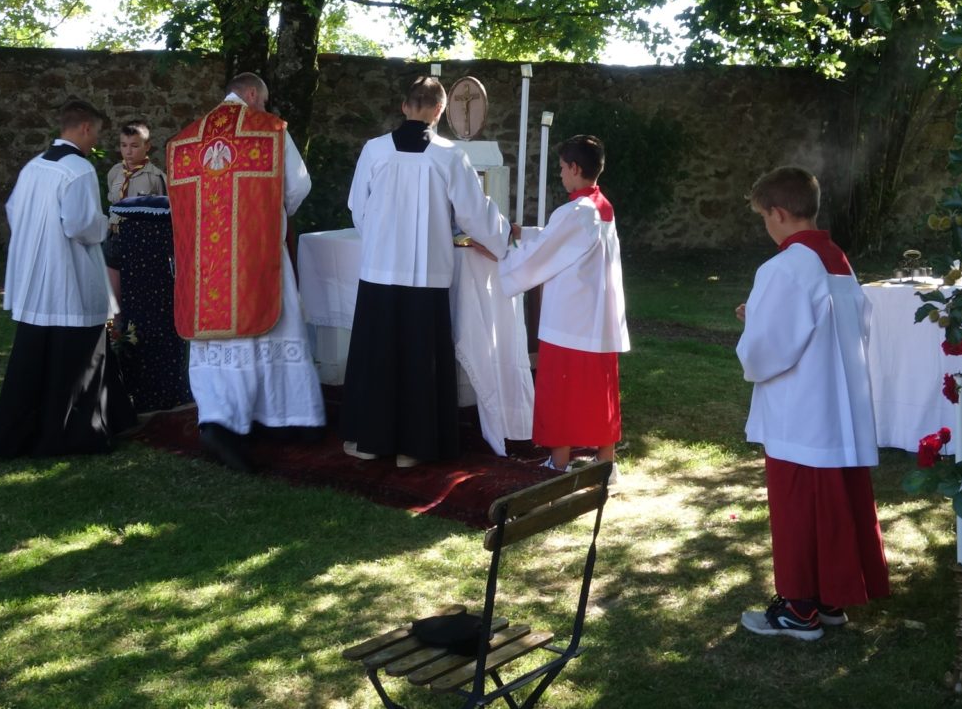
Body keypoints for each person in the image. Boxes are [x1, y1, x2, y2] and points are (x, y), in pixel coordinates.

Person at [733, 166, 890, 641]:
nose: (766, 226)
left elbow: (767, 350)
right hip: (837, 403)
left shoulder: (783, 267)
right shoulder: (836, 258)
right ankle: (828, 598)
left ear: (779, 213)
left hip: (800, 409)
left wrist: (753, 326)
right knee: (832, 504)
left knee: (798, 507)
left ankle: (798, 609)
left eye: (765, 217)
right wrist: (760, 314)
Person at [340, 76, 512, 467]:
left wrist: (382, 241)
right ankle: (412, 448)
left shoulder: (374, 150)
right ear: (440, 110)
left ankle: (370, 441)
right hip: (426, 275)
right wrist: (503, 239)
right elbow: (473, 214)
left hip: (380, 271)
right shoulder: (449, 155)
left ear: (405, 107)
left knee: (377, 355)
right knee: (419, 358)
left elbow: (358, 208)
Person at [166, 73, 324, 471]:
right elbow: (298, 186)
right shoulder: (270, 129)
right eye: (264, 101)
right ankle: (285, 418)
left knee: (219, 346)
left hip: (205, 266)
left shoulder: (185, 140)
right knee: (275, 330)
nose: (265, 108)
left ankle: (219, 420)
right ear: (252, 94)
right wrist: (272, 212)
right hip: (258, 252)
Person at [0, 97, 137, 457]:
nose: (96, 141)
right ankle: (77, 435)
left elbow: (13, 210)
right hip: (68, 277)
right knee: (77, 358)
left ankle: (19, 436)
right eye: (96, 133)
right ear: (84, 127)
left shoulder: (34, 165)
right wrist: (106, 224)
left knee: (33, 362)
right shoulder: (79, 169)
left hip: (35, 277)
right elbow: (80, 225)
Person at [498, 134, 629, 472]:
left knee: (561, 392)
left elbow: (545, 253)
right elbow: (559, 240)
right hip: (598, 320)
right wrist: (525, 233)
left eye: (560, 168)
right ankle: (606, 463)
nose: (559, 174)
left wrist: (502, 257)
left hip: (570, 320)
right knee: (600, 393)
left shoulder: (575, 212)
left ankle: (558, 464)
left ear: (574, 167)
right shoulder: (600, 206)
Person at [104, 190, 191, 414]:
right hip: (168, 316)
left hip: (134, 316)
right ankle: (174, 397)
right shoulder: (175, 238)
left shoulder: (119, 240)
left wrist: (115, 323)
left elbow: (113, 288)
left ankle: (138, 400)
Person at [106, 119, 167, 216]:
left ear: (147, 146)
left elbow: (164, 211)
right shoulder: (114, 172)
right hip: (116, 225)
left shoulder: (156, 177)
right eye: (124, 145)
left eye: (134, 146)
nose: (128, 151)